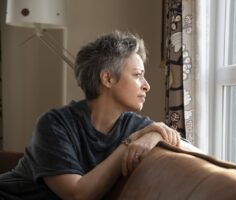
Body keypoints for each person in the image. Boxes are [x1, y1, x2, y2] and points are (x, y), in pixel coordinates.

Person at [0, 31, 198, 200]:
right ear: (108, 78)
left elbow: (195, 153)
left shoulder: (137, 127)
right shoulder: (54, 124)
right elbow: (77, 194)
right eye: (137, 75)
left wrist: (155, 135)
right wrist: (129, 143)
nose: (147, 85)